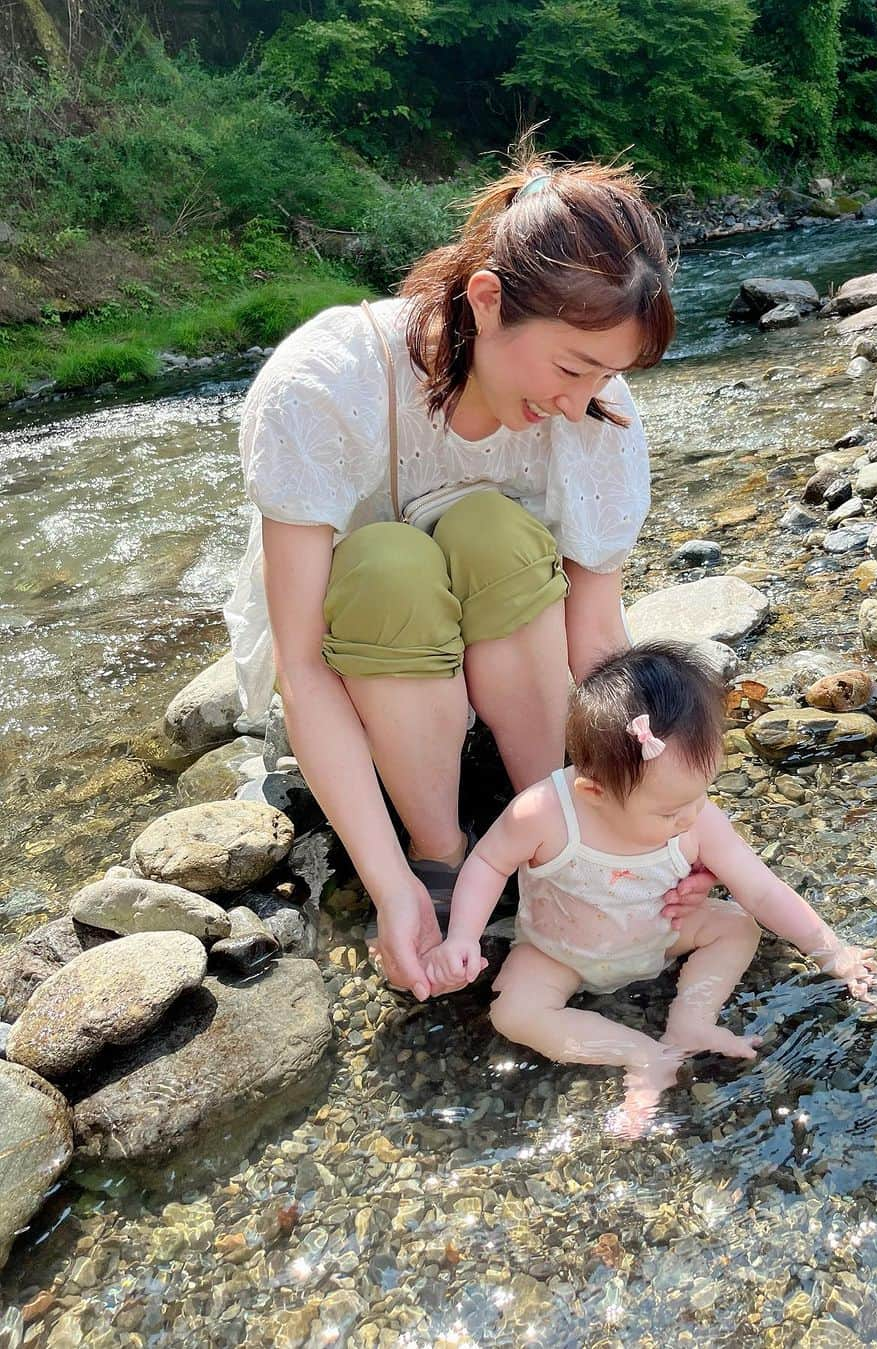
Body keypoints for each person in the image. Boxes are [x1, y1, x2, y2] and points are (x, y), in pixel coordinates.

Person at [224, 154, 714, 1005]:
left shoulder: (597, 404)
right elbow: (303, 667)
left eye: (608, 372)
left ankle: (554, 824)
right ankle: (438, 849)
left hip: (515, 647)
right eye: (571, 368)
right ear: (486, 300)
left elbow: (597, 638)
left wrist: (662, 821)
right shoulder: (324, 383)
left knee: (491, 526)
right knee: (389, 559)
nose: (583, 402)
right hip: (364, 652)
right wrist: (390, 886)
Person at [424, 642, 877, 1127]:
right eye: (670, 810)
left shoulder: (695, 816)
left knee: (738, 926)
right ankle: (638, 1053)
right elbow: (488, 864)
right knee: (513, 1012)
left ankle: (692, 1019)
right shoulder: (544, 814)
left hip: (662, 936)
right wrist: (462, 937)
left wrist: (831, 951)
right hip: (557, 950)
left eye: (700, 792)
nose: (692, 815)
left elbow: (762, 889)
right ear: (594, 792)